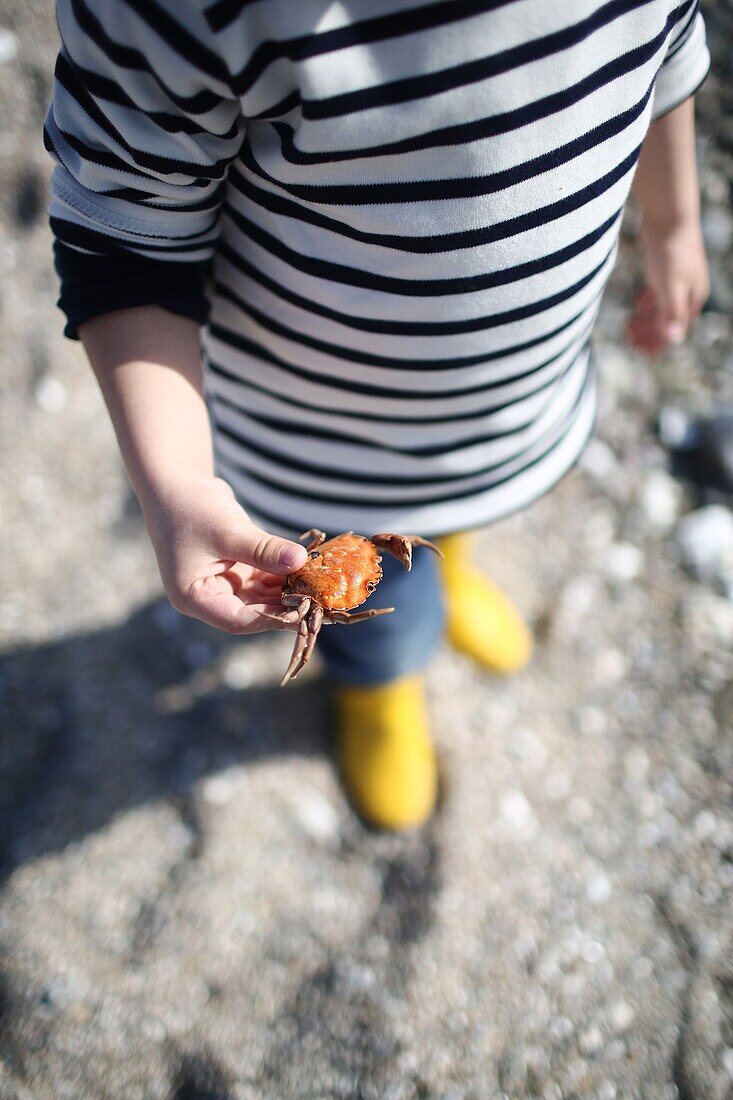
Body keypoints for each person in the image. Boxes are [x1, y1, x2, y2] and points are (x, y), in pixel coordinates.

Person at [45, 0, 710, 829]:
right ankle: (381, 679)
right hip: (313, 442)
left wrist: (674, 221)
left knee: (445, 525)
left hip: (503, 401)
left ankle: (450, 569)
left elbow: (668, 42)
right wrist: (173, 481)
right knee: (373, 609)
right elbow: (121, 233)